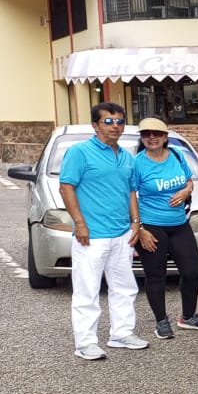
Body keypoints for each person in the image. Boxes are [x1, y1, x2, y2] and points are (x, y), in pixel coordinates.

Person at [59, 102, 147, 360]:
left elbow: (131, 191)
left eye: (119, 121)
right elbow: (66, 188)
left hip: (121, 234)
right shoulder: (80, 153)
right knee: (87, 290)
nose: (115, 126)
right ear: (95, 125)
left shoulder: (126, 157)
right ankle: (85, 342)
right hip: (92, 235)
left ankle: (121, 333)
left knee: (125, 287)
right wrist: (80, 223)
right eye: (108, 121)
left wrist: (136, 222)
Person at [131, 117, 198, 340]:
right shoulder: (137, 163)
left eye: (156, 134)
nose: (151, 138)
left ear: (165, 137)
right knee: (155, 275)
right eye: (146, 134)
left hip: (179, 224)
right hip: (151, 226)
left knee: (192, 271)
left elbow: (189, 182)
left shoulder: (177, 156)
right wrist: (139, 229)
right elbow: (129, 197)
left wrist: (187, 191)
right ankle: (161, 321)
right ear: (142, 138)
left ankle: (188, 317)